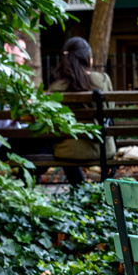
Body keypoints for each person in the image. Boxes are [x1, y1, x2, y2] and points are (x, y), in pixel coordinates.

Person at [46, 37, 116, 187]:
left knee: (70, 148)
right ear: (88, 59)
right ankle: (88, 192)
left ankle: (80, 189)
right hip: (101, 149)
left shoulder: (56, 87)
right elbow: (110, 111)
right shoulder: (102, 80)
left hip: (67, 150)